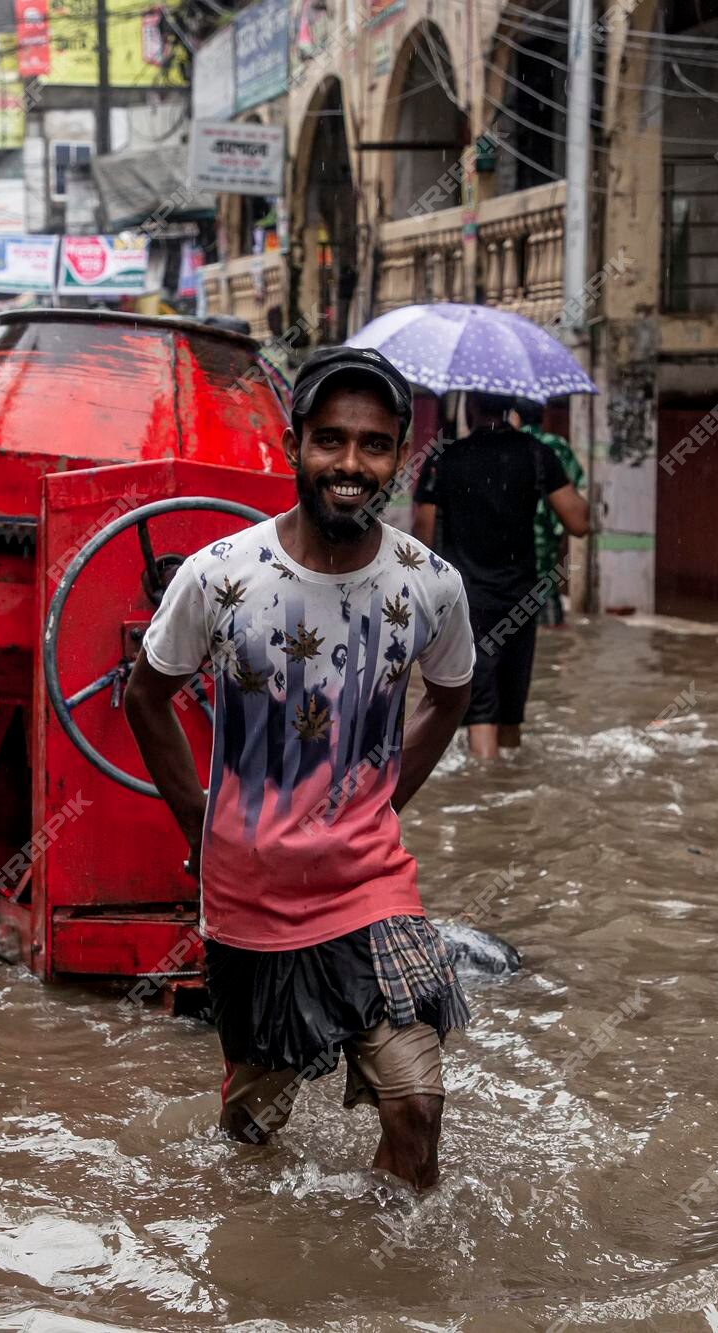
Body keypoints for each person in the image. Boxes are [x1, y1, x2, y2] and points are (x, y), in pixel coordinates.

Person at [124, 346, 476, 1190]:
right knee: (250, 1130)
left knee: (417, 1104)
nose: (351, 464)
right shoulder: (219, 575)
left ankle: (382, 1298)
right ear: (293, 448)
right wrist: (196, 825)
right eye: (330, 441)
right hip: (249, 897)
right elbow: (146, 696)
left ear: (399, 455)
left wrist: (383, 802)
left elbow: (450, 695)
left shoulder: (431, 584)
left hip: (371, 885)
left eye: (374, 445)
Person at [410, 392, 589, 759]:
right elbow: (579, 522)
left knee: (481, 708)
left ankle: (488, 800)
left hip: (467, 600)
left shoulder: (445, 457)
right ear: (510, 405)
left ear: (470, 406)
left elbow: (423, 535)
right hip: (522, 598)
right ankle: (513, 794)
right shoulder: (538, 454)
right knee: (512, 708)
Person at [512, 399, 585, 627]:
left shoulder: (514, 443)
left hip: (515, 527)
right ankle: (552, 628)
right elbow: (576, 482)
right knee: (545, 583)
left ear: (517, 416)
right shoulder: (556, 444)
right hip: (549, 525)